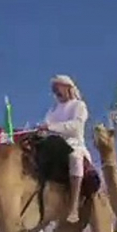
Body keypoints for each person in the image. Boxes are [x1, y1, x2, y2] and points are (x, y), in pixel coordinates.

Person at [39, 75, 91, 223]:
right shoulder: (52, 110)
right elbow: (46, 126)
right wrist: (41, 131)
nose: (55, 92)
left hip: (73, 144)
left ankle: (74, 205)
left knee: (74, 157)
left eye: (57, 88)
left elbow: (75, 126)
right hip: (53, 145)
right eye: (53, 90)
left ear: (68, 87)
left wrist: (50, 127)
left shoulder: (79, 106)